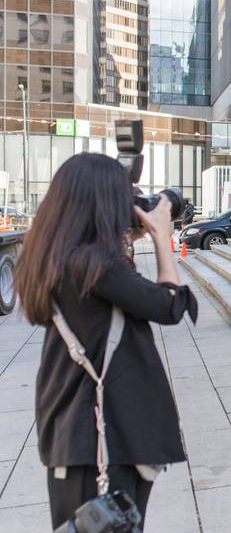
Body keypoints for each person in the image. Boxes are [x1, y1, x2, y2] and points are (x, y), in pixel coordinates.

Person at [14, 153, 197, 530]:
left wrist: (126, 237)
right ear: (102, 203)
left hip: (77, 435)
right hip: (103, 439)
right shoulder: (92, 264)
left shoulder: (58, 257)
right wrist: (162, 236)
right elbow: (169, 304)